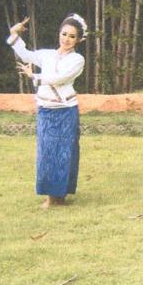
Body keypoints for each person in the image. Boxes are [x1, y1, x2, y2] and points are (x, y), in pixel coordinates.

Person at [8, 14, 87, 209]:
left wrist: (34, 76)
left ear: (78, 39)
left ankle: (60, 197)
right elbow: (26, 55)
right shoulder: (47, 55)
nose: (66, 39)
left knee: (65, 153)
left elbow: (60, 78)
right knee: (47, 153)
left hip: (66, 112)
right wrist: (14, 34)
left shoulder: (77, 59)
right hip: (46, 111)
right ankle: (51, 198)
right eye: (64, 34)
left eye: (72, 36)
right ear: (59, 33)